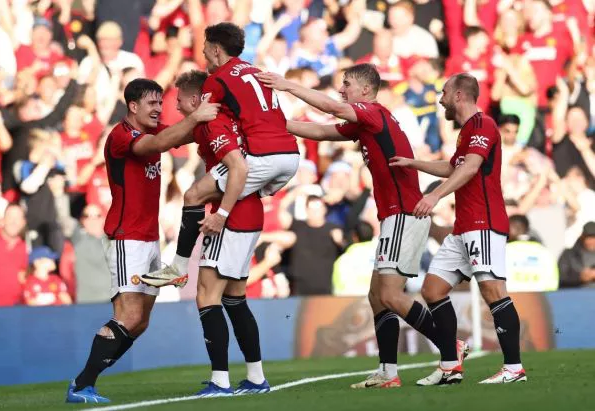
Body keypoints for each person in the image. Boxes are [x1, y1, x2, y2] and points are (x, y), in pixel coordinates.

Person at [257, 63, 468, 388]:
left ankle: (448, 344)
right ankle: (388, 372)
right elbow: (324, 131)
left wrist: (286, 85)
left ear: (365, 91)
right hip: (393, 217)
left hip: (404, 214)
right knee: (376, 296)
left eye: (347, 84)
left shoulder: (373, 113)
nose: (341, 90)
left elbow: (332, 108)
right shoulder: (368, 123)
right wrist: (281, 123)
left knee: (391, 295)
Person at [65, 78, 219, 404]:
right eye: (152, 103)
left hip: (148, 237)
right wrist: (196, 118)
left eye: (161, 103)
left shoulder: (154, 130)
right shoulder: (121, 136)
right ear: (133, 106)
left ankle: (84, 381)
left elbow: (183, 134)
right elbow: (159, 143)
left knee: (141, 323)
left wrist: (216, 121)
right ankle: (82, 384)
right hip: (126, 238)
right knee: (128, 316)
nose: (158, 109)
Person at [389, 73, 527, 384]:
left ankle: (514, 369)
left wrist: (435, 194)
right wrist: (414, 163)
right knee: (432, 289)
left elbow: (471, 167)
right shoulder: (466, 131)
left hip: (484, 222)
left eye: (444, 93)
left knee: (493, 290)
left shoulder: (483, 125)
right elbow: (454, 166)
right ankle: (451, 364)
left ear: (459, 96)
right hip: (463, 225)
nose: (440, 99)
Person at [140, 22, 300, 288]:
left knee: (193, 196)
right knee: (233, 298)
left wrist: (221, 214)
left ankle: (178, 267)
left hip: (260, 160)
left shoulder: (217, 83)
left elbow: (202, 117)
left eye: (204, 48)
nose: (202, 54)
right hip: (288, 156)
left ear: (215, 49)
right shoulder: (256, 72)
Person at [170, 70, 270, 397]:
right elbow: (172, 136)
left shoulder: (214, 125)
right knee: (235, 298)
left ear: (198, 100)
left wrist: (222, 213)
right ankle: (256, 378)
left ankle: (220, 381)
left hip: (232, 217)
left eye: (180, 99)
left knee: (206, 296)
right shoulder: (207, 125)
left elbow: (237, 168)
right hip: (250, 214)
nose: (176, 104)